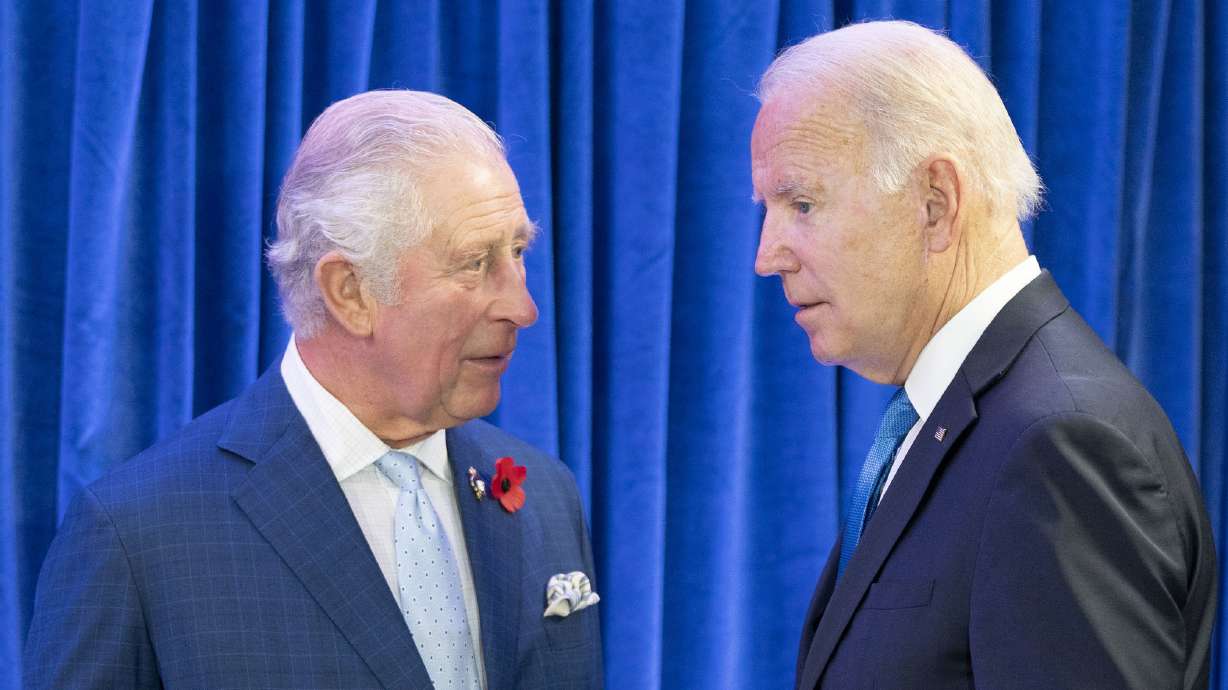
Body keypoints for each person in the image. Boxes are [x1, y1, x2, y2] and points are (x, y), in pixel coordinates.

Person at [25, 90, 603, 689]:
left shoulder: (546, 494)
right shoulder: (138, 538)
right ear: (350, 291)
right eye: (475, 263)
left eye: (517, 252)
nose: (524, 307)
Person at [751, 21, 1216, 689]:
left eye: (801, 203)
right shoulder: (957, 420)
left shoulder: (1062, 444)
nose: (767, 257)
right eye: (767, 209)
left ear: (935, 204)